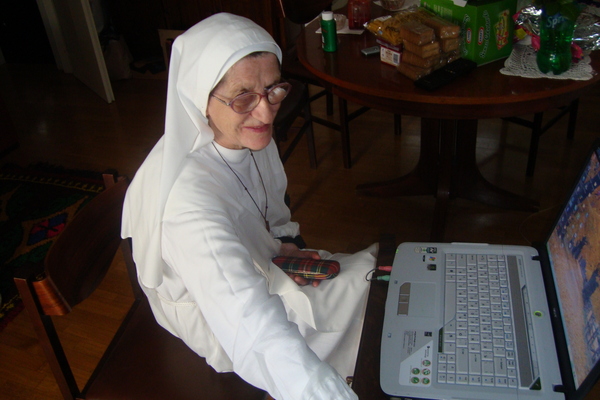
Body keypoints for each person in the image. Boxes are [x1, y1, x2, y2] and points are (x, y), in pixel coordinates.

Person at [121, 12, 377, 400]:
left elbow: (272, 211)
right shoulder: (188, 208)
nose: (266, 111)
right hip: (222, 322)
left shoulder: (245, 133)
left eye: (274, 90)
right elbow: (252, 327)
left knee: (374, 275)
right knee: (369, 317)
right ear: (200, 98)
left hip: (261, 265)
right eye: (243, 97)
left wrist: (287, 246)